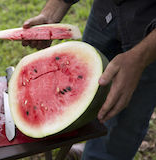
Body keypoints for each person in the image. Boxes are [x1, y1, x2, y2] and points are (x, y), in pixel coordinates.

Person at [22, 0, 156, 159]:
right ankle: (89, 146)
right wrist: (51, 11)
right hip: (106, 10)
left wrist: (139, 59)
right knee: (84, 98)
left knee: (124, 119)